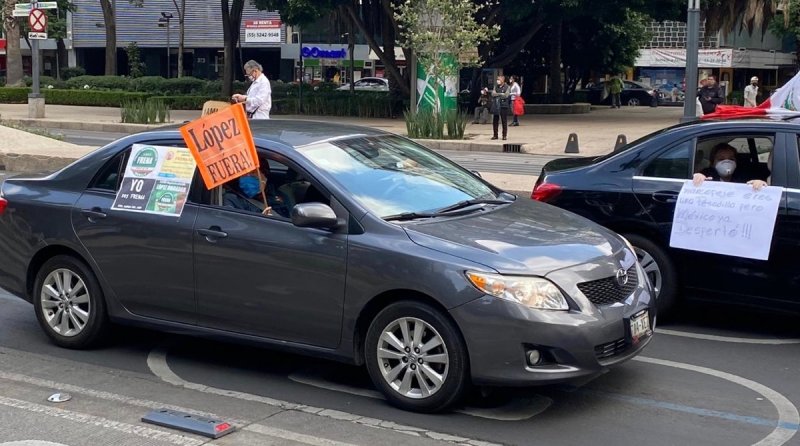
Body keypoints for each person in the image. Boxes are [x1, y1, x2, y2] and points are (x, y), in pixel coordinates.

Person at [692, 143, 768, 191]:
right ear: (712, 163)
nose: (727, 162)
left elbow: (760, 187)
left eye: (731, 159)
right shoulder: (707, 175)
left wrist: (760, 184)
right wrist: (698, 178)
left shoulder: (745, 176)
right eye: (721, 159)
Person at [222, 164, 290, 217]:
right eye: (244, 174)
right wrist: (261, 219)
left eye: (253, 173)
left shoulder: (275, 194)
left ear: (264, 177)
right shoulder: (231, 198)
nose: (248, 176)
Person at [490, 75, 511, 140]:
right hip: (496, 105)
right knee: (495, 121)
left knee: (504, 121)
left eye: (499, 79)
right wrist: (500, 94)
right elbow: (493, 94)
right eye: (497, 79)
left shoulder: (507, 87)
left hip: (503, 105)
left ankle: (504, 135)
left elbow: (506, 95)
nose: (497, 81)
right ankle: (495, 135)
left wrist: (498, 94)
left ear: (502, 80)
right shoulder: (495, 86)